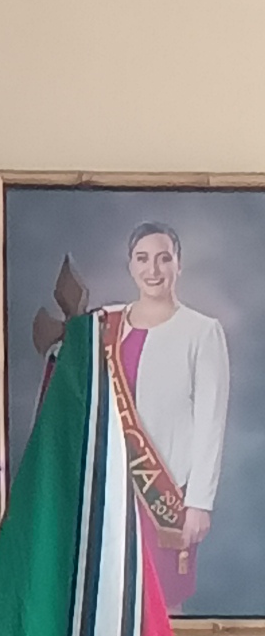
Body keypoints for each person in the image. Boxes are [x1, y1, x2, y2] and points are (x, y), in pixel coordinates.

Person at [102, 221, 230, 609]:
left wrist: (200, 503)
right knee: (109, 602)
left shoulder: (202, 331)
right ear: (130, 265)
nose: (153, 270)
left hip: (168, 494)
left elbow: (211, 422)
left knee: (164, 607)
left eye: (164, 258)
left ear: (179, 265)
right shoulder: (105, 325)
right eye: (142, 259)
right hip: (109, 489)